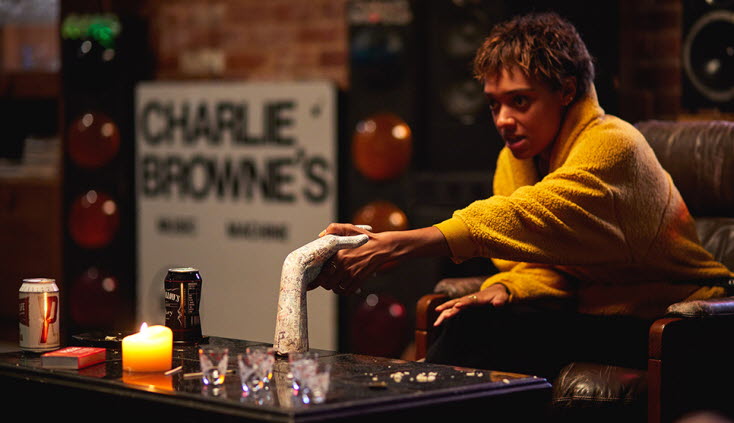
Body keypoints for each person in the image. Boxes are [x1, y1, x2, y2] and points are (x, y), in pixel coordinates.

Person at [310, 12, 733, 377]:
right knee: (469, 322)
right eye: (495, 104)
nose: (503, 120)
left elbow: (529, 216)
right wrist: (511, 287)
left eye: (520, 102)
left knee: (478, 334)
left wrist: (397, 244)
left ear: (566, 91)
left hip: (677, 322)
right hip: (598, 313)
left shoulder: (614, 145)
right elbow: (538, 260)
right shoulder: (514, 161)